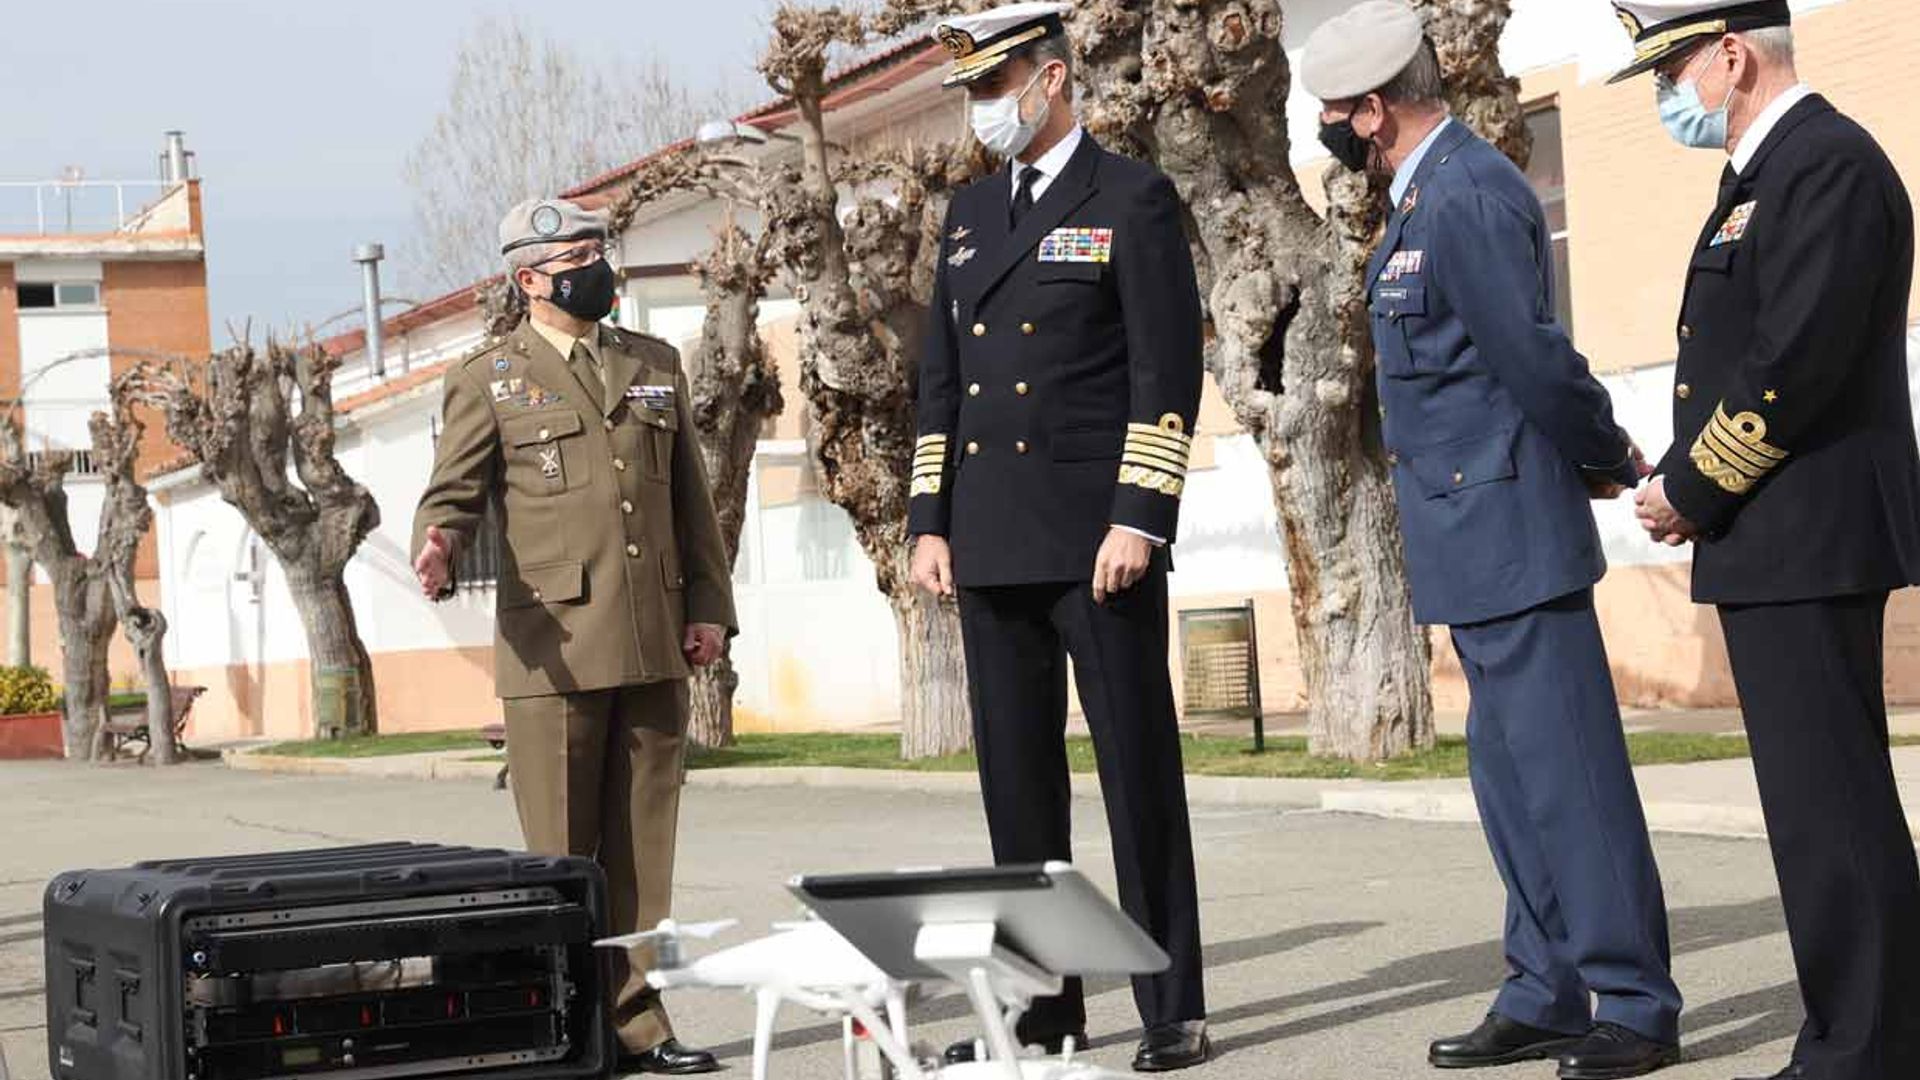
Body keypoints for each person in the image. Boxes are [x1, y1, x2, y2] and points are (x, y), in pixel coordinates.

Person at [1301, 4, 1685, 1078]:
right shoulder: (1422, 194)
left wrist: (1607, 453)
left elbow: (1532, 356)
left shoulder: (1465, 191)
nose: (1332, 128)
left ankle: (1637, 1003)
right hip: (1467, 535)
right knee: (1513, 784)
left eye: (1337, 112)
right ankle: (1545, 986)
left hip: (1511, 523)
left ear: (1374, 110)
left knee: (1569, 777)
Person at [1612, 3, 1920, 1077]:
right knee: (1812, 805)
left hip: (1812, 527)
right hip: (1776, 529)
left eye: (1671, 72)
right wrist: (1684, 471)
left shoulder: (1823, 164)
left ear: (1732, 54)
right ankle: (1857, 1033)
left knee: (1831, 804)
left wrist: (1694, 486)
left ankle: (1866, 1049)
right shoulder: (1765, 173)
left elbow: (1796, 362)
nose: (1666, 101)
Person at [907, 2, 1209, 1071]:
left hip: (1096, 545)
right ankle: (1043, 1010)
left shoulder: (1131, 197)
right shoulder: (969, 216)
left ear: (1050, 80)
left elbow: (1165, 374)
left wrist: (1141, 514)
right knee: (1018, 793)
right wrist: (926, 522)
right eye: (974, 96)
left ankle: (1172, 1005)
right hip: (989, 545)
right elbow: (937, 385)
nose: (984, 111)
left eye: (995, 89)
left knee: (1137, 778)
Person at [411, 197, 736, 1076]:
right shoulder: (489, 377)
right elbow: (455, 490)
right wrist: (437, 541)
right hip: (551, 648)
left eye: (601, 251)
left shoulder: (653, 363)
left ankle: (641, 1021)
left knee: (645, 852)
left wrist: (708, 609)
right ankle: (564, 1021)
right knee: (560, 857)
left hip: (652, 637)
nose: (600, 268)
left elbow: (690, 509)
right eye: (580, 257)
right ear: (531, 280)